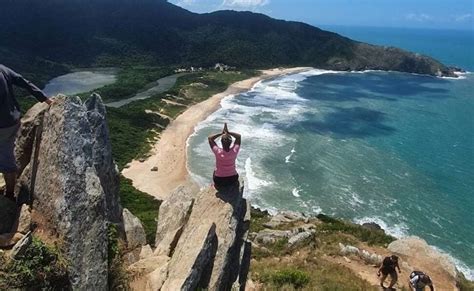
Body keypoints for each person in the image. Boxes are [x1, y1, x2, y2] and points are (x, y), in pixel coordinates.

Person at [0, 64, 53, 201]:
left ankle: (10, 194)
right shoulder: (2, 69)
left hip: (2, 126)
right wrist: (44, 98)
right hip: (13, 121)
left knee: (6, 159)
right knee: (6, 154)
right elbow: (24, 82)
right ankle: (10, 192)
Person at [208, 123, 241, 189]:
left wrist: (221, 133)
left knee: (215, 171)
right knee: (234, 174)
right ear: (231, 142)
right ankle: (234, 185)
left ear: (221, 142)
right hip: (233, 180)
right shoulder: (234, 151)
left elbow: (210, 138)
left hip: (219, 181)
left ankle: (215, 186)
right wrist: (228, 132)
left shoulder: (217, 151)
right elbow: (238, 137)